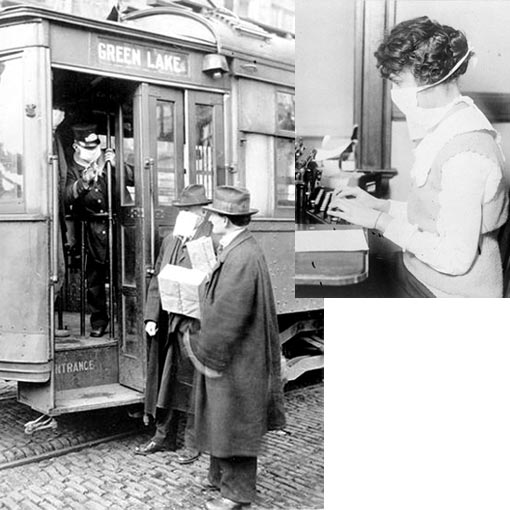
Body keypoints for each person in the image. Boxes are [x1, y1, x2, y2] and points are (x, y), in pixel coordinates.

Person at [328, 16, 509, 297]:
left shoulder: (466, 155)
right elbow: (437, 214)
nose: (395, 93)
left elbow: (454, 259)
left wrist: (379, 222)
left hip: (452, 294)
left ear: (432, 79)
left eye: (399, 82)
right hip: (427, 275)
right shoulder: (451, 125)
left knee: (347, 291)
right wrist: (380, 207)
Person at [184, 186, 286, 510]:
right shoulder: (240, 248)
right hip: (238, 357)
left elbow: (229, 314)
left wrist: (202, 346)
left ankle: (236, 495)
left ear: (226, 220)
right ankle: (220, 479)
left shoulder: (240, 255)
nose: (209, 218)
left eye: (214, 214)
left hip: (236, 360)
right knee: (225, 420)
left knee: (237, 424)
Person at [135, 184, 212, 464]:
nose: (184, 214)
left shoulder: (210, 241)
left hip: (195, 325)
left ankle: (193, 442)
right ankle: (163, 436)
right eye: (182, 210)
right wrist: (151, 316)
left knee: (193, 383)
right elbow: (157, 278)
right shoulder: (170, 240)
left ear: (202, 213)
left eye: (189, 210)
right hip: (168, 323)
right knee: (166, 380)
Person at [64, 124, 116, 336]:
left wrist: (115, 165)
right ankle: (99, 322)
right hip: (90, 231)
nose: (93, 150)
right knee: (94, 280)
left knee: (121, 275)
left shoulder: (106, 162)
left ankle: (127, 319)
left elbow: (130, 180)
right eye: (88, 146)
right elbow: (66, 195)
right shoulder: (71, 169)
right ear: (77, 146)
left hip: (115, 228)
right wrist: (83, 182)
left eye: (96, 146)